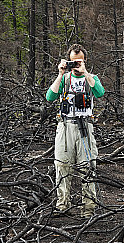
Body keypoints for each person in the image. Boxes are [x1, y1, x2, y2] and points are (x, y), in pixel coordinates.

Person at [45, 43, 105, 217]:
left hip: (85, 126)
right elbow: (50, 97)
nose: (76, 65)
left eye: (79, 62)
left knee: (88, 167)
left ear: (85, 61)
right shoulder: (64, 79)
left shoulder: (92, 78)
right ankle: (62, 205)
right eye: (73, 62)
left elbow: (100, 93)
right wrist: (60, 73)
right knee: (62, 165)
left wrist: (85, 72)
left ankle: (88, 209)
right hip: (65, 126)